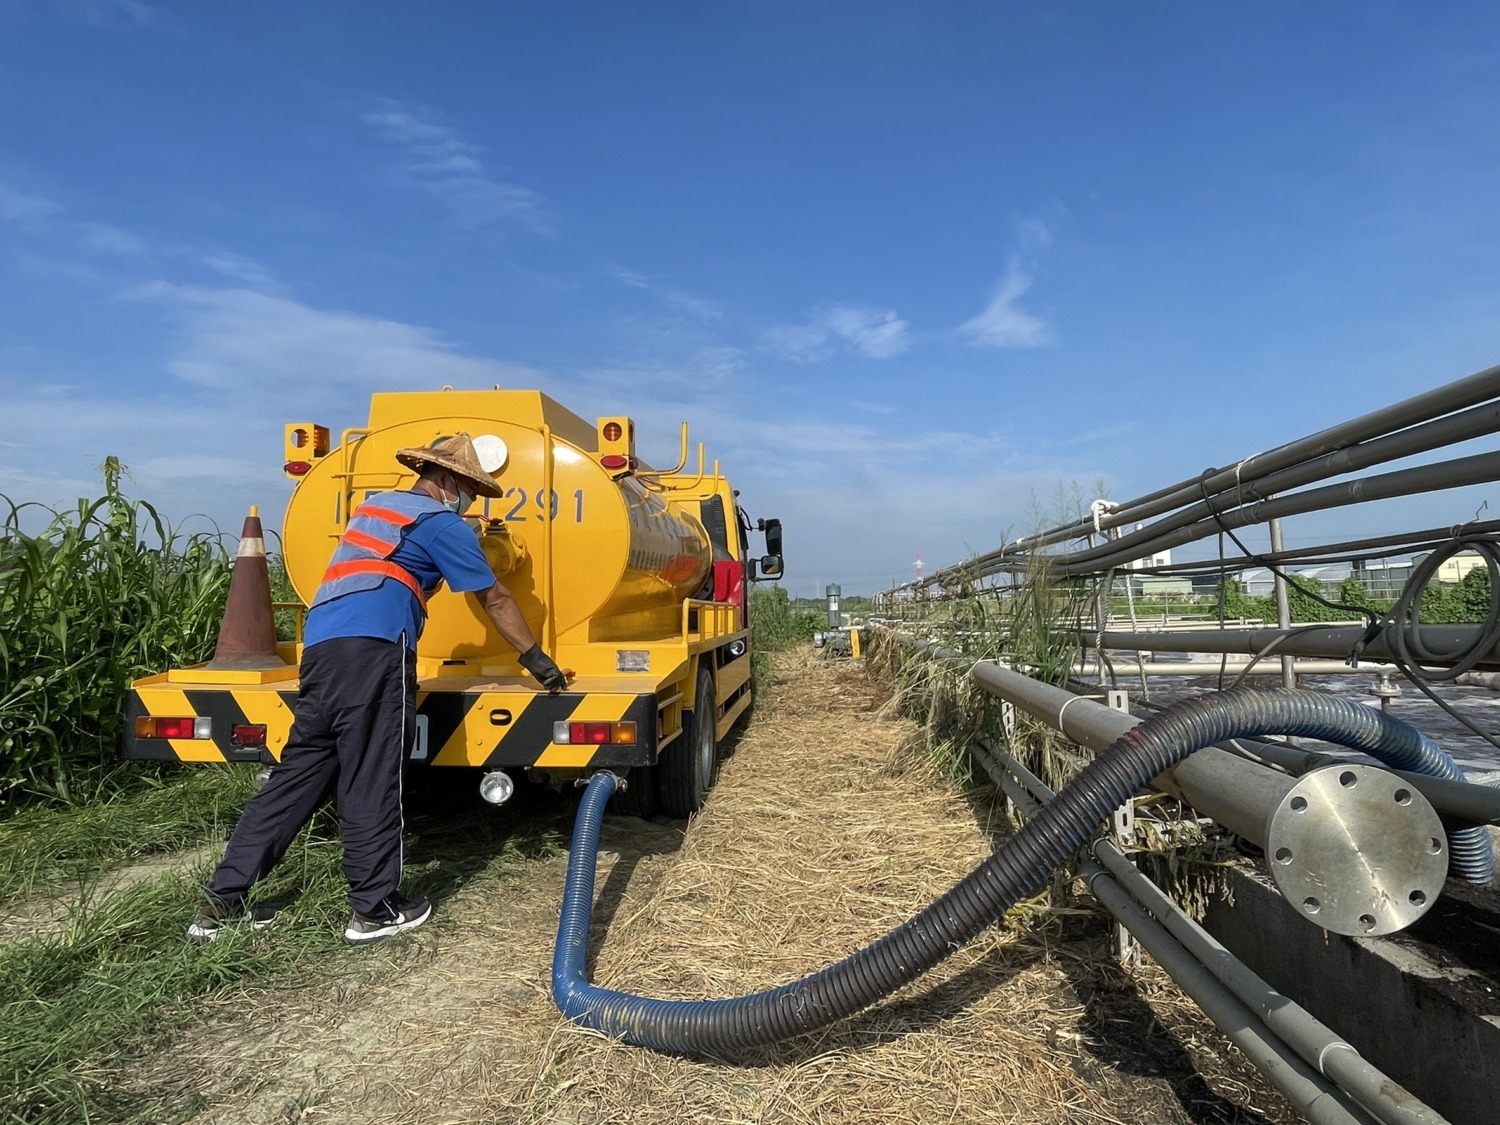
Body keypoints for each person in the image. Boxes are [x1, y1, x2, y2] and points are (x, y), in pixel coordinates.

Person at [188, 433, 570, 945]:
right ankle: (375, 908)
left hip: (322, 647)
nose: (472, 502)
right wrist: (538, 662)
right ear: (449, 481)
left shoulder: (374, 510)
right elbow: (495, 598)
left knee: (296, 776)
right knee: (372, 772)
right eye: (471, 491)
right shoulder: (439, 522)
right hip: (375, 648)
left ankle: (221, 906)